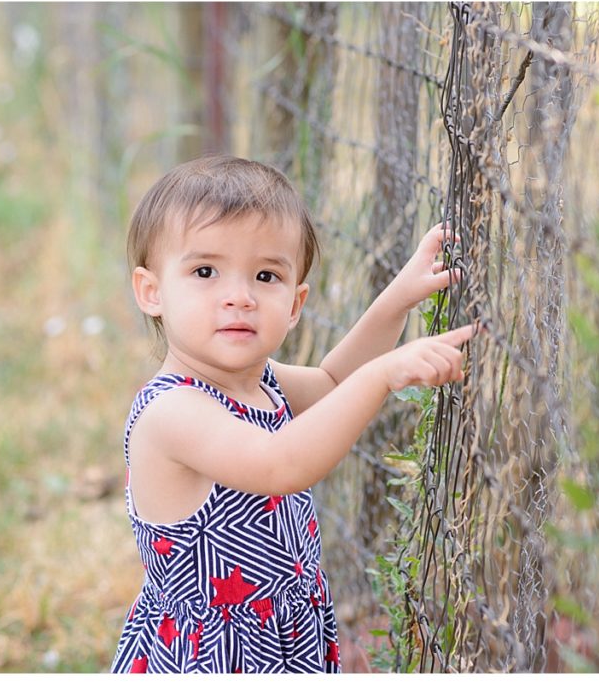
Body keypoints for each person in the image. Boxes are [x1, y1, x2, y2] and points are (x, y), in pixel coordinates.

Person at [110, 155, 475, 673]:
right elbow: (280, 466)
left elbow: (332, 383)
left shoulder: (263, 382)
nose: (239, 297)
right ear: (152, 292)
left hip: (282, 638)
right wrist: (384, 375)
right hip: (209, 655)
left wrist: (398, 299)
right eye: (205, 271)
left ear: (296, 302)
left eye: (265, 275)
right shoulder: (172, 410)